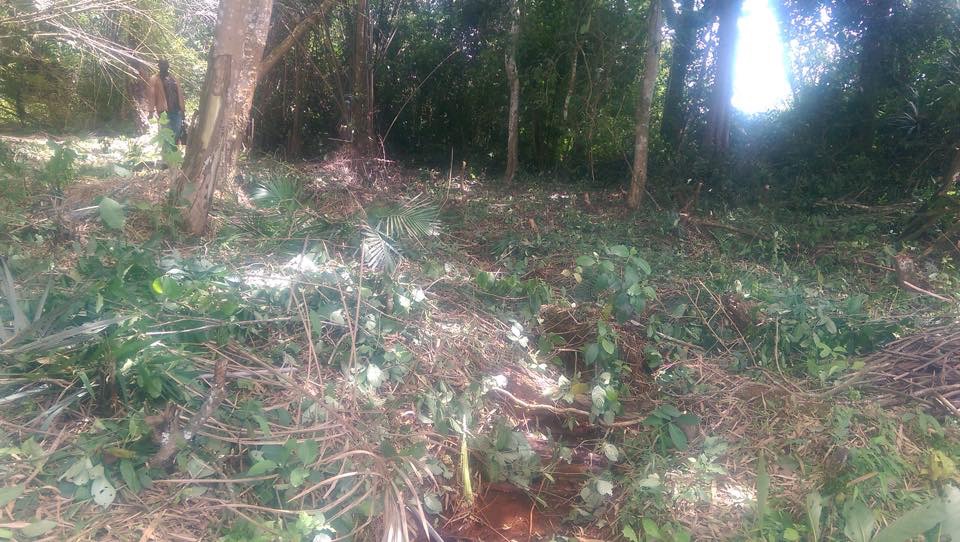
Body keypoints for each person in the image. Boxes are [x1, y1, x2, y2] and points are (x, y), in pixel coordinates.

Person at [149, 59, 186, 147]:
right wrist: (151, 111)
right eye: (162, 65)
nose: (164, 66)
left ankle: (174, 156)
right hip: (163, 111)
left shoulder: (174, 78)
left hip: (177, 110)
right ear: (159, 66)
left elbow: (180, 95)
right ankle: (166, 156)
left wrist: (183, 110)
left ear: (168, 66)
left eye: (165, 64)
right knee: (166, 134)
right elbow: (151, 96)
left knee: (176, 133)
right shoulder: (154, 79)